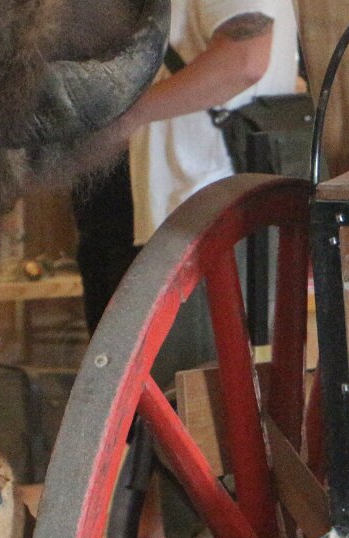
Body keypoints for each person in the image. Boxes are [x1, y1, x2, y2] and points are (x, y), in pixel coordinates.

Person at [72, 0, 298, 333]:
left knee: (198, 361)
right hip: (197, 205)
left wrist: (125, 118)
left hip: (207, 211)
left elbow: (245, 59)